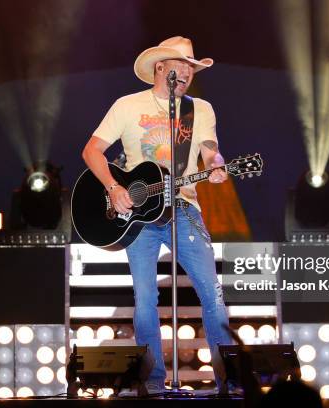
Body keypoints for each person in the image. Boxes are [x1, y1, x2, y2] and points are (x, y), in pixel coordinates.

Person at [81, 36, 232, 394]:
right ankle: (153, 383)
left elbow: (211, 153)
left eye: (192, 67)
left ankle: (230, 378)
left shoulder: (201, 109)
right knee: (145, 297)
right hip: (140, 215)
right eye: (181, 65)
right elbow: (92, 151)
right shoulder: (127, 105)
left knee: (212, 293)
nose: (187, 72)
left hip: (184, 208)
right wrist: (114, 188)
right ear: (160, 67)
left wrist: (219, 166)